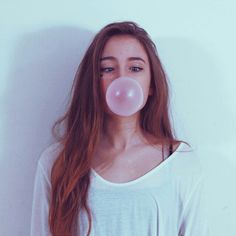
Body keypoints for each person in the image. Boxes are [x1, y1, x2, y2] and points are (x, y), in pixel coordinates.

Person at [30, 21, 209, 236]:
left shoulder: (181, 164)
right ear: (93, 83)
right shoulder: (57, 162)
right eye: (107, 69)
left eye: (135, 68)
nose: (122, 79)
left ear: (151, 84)